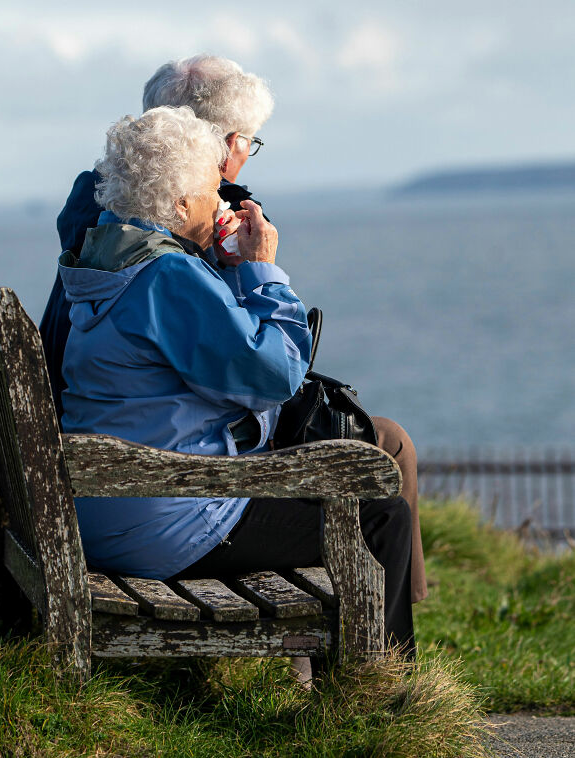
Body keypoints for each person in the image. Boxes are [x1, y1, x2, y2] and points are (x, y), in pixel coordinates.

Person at [40, 53, 427, 604]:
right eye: (209, 184)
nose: (222, 193)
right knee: (379, 512)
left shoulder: (102, 246)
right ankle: (380, 677)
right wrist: (260, 270)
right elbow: (271, 379)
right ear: (180, 196)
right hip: (165, 508)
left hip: (105, 483)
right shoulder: (166, 272)